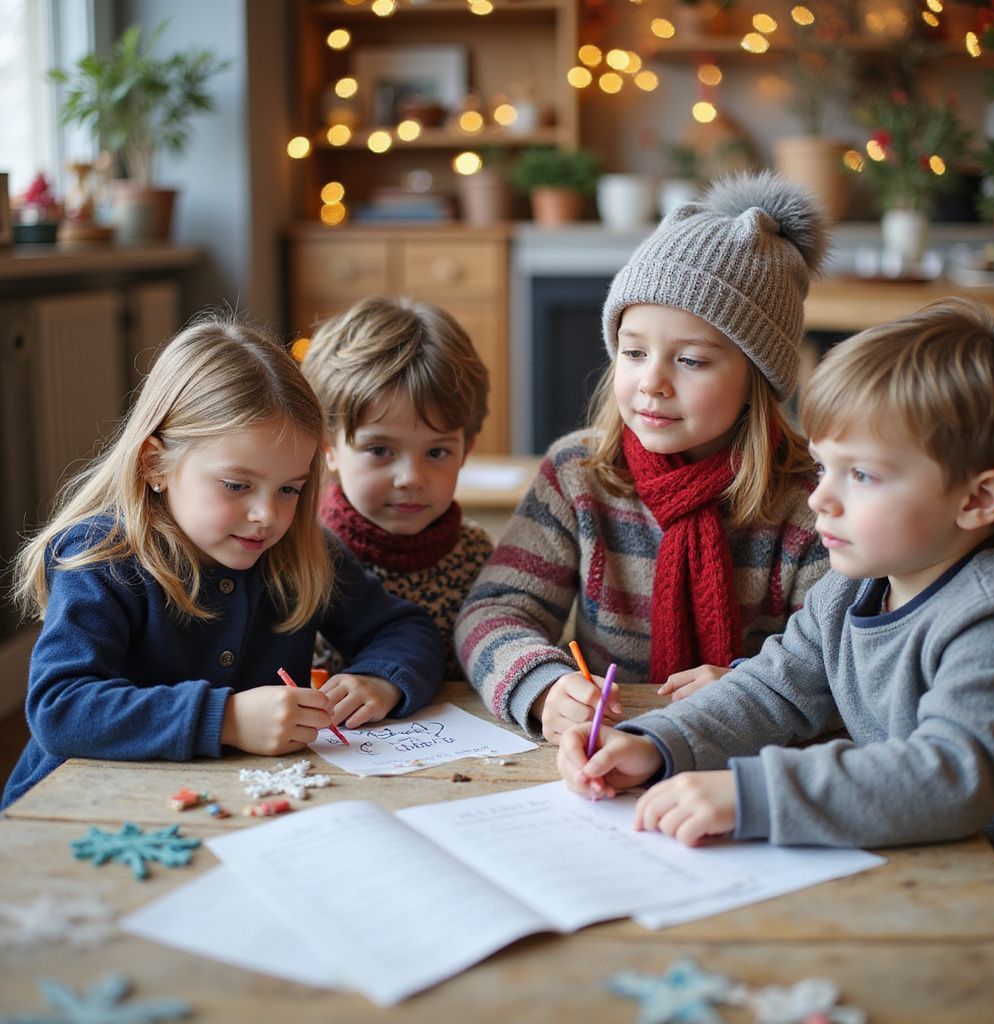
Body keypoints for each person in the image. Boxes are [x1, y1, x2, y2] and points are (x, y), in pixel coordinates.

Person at [557, 298, 994, 873]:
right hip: (904, 856)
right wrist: (654, 743)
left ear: (977, 500)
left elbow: (952, 776)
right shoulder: (853, 588)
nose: (820, 498)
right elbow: (771, 690)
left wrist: (752, 794)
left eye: (862, 475)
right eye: (824, 468)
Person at [3, 313, 444, 809]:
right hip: (74, 813)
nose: (266, 516)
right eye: (237, 485)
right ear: (155, 464)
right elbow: (60, 708)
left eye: (289, 490)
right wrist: (227, 719)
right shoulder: (102, 561)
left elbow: (407, 630)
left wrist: (380, 678)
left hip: (228, 807)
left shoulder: (300, 552)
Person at [456, 171, 831, 741]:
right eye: (633, 352)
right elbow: (495, 611)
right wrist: (543, 685)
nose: (651, 382)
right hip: (603, 750)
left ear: (758, 379)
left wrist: (751, 689)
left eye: (692, 361)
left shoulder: (813, 498)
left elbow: (843, 658)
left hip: (748, 761)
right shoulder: (578, 474)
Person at [301, 295, 492, 680]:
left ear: (466, 450)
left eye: (437, 451)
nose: (411, 478)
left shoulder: (480, 562)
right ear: (328, 449)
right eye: (380, 450)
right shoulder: (299, 556)